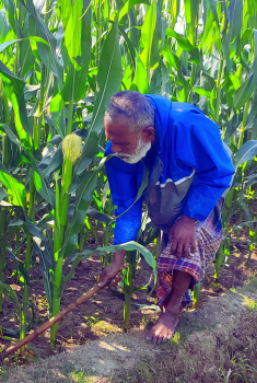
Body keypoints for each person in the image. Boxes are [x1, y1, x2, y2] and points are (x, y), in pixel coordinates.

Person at [98, 91, 235, 344]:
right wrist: (118, 256)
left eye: (122, 145)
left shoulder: (189, 126)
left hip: (201, 191)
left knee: (183, 247)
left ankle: (171, 313)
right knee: (168, 253)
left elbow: (219, 173)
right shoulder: (116, 150)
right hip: (166, 199)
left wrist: (190, 219)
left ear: (148, 134)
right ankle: (168, 303)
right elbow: (127, 208)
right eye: (110, 141)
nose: (114, 150)